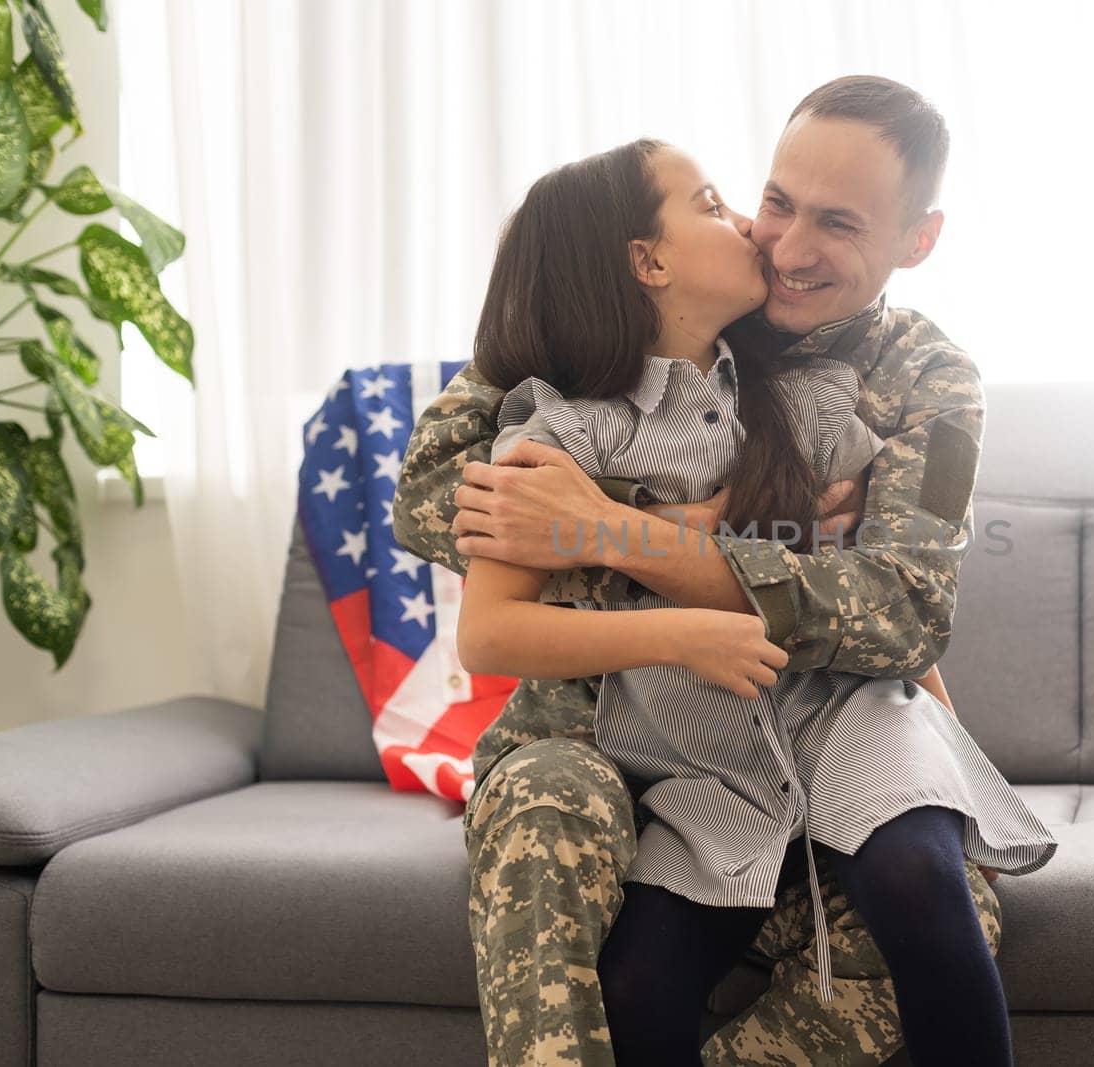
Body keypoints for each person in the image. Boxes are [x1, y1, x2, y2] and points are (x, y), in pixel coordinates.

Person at [393, 76, 1039, 1067]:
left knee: (932, 901)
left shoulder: (923, 380)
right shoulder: (669, 306)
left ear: (917, 239)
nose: (782, 245)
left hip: (825, 732)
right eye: (773, 202)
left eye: (837, 223)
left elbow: (899, 611)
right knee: (640, 964)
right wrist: (713, 527)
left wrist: (630, 526)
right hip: (652, 743)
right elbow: (441, 494)